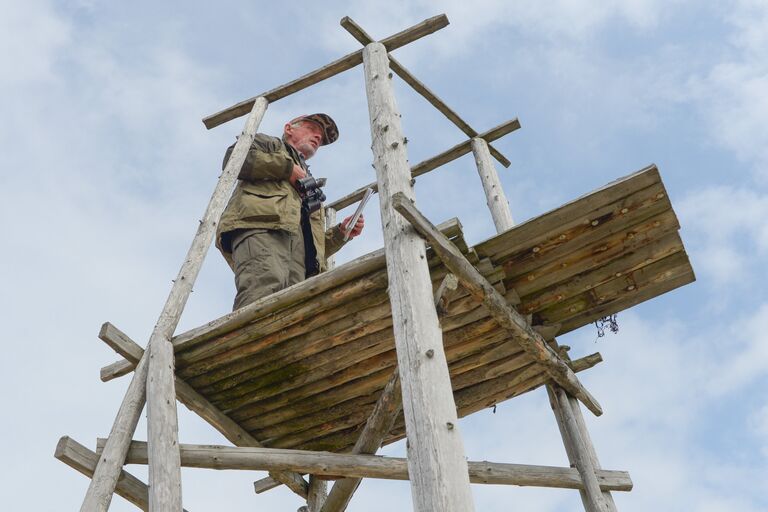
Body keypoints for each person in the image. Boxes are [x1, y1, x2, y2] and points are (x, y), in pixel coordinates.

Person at [215, 113, 365, 310]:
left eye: (321, 138)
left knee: (297, 306)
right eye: (312, 129)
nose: (318, 138)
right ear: (289, 129)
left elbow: (313, 248)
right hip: (261, 228)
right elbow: (235, 160)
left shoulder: (311, 186)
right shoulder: (269, 144)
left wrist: (341, 233)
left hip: (298, 261)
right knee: (264, 288)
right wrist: (287, 169)